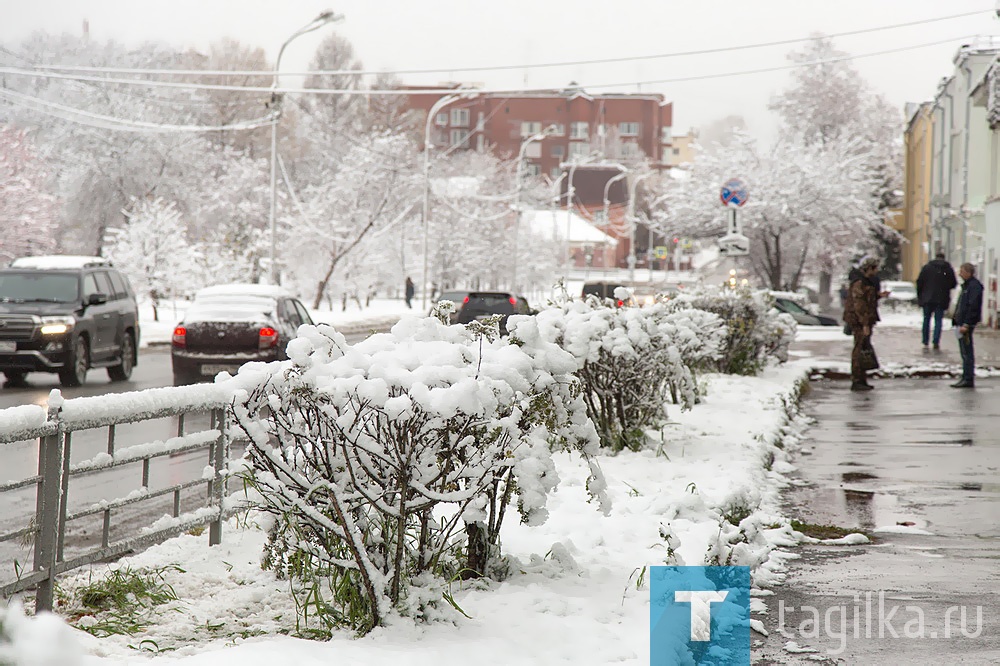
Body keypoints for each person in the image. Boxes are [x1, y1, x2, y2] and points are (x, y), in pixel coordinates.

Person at [843, 258, 882, 391]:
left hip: (864, 320)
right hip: (859, 321)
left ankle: (861, 378)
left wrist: (878, 295)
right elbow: (859, 305)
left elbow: (868, 299)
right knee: (859, 349)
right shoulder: (859, 282)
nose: (876, 271)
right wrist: (865, 324)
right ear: (869, 268)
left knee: (863, 347)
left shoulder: (866, 282)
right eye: (875, 268)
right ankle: (857, 379)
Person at [950, 263, 983, 389]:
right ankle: (965, 376)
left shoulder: (974, 287)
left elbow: (972, 307)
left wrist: (967, 323)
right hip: (961, 322)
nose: (960, 274)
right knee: (964, 351)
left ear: (969, 272)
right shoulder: (966, 286)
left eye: (962, 271)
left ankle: (968, 378)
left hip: (966, 324)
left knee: (967, 351)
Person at [915, 252, 957, 350]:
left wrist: (920, 296)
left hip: (927, 298)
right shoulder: (947, 269)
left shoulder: (927, 268)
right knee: (938, 320)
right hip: (941, 299)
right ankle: (936, 341)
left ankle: (925, 341)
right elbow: (953, 284)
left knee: (926, 320)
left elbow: (919, 282)